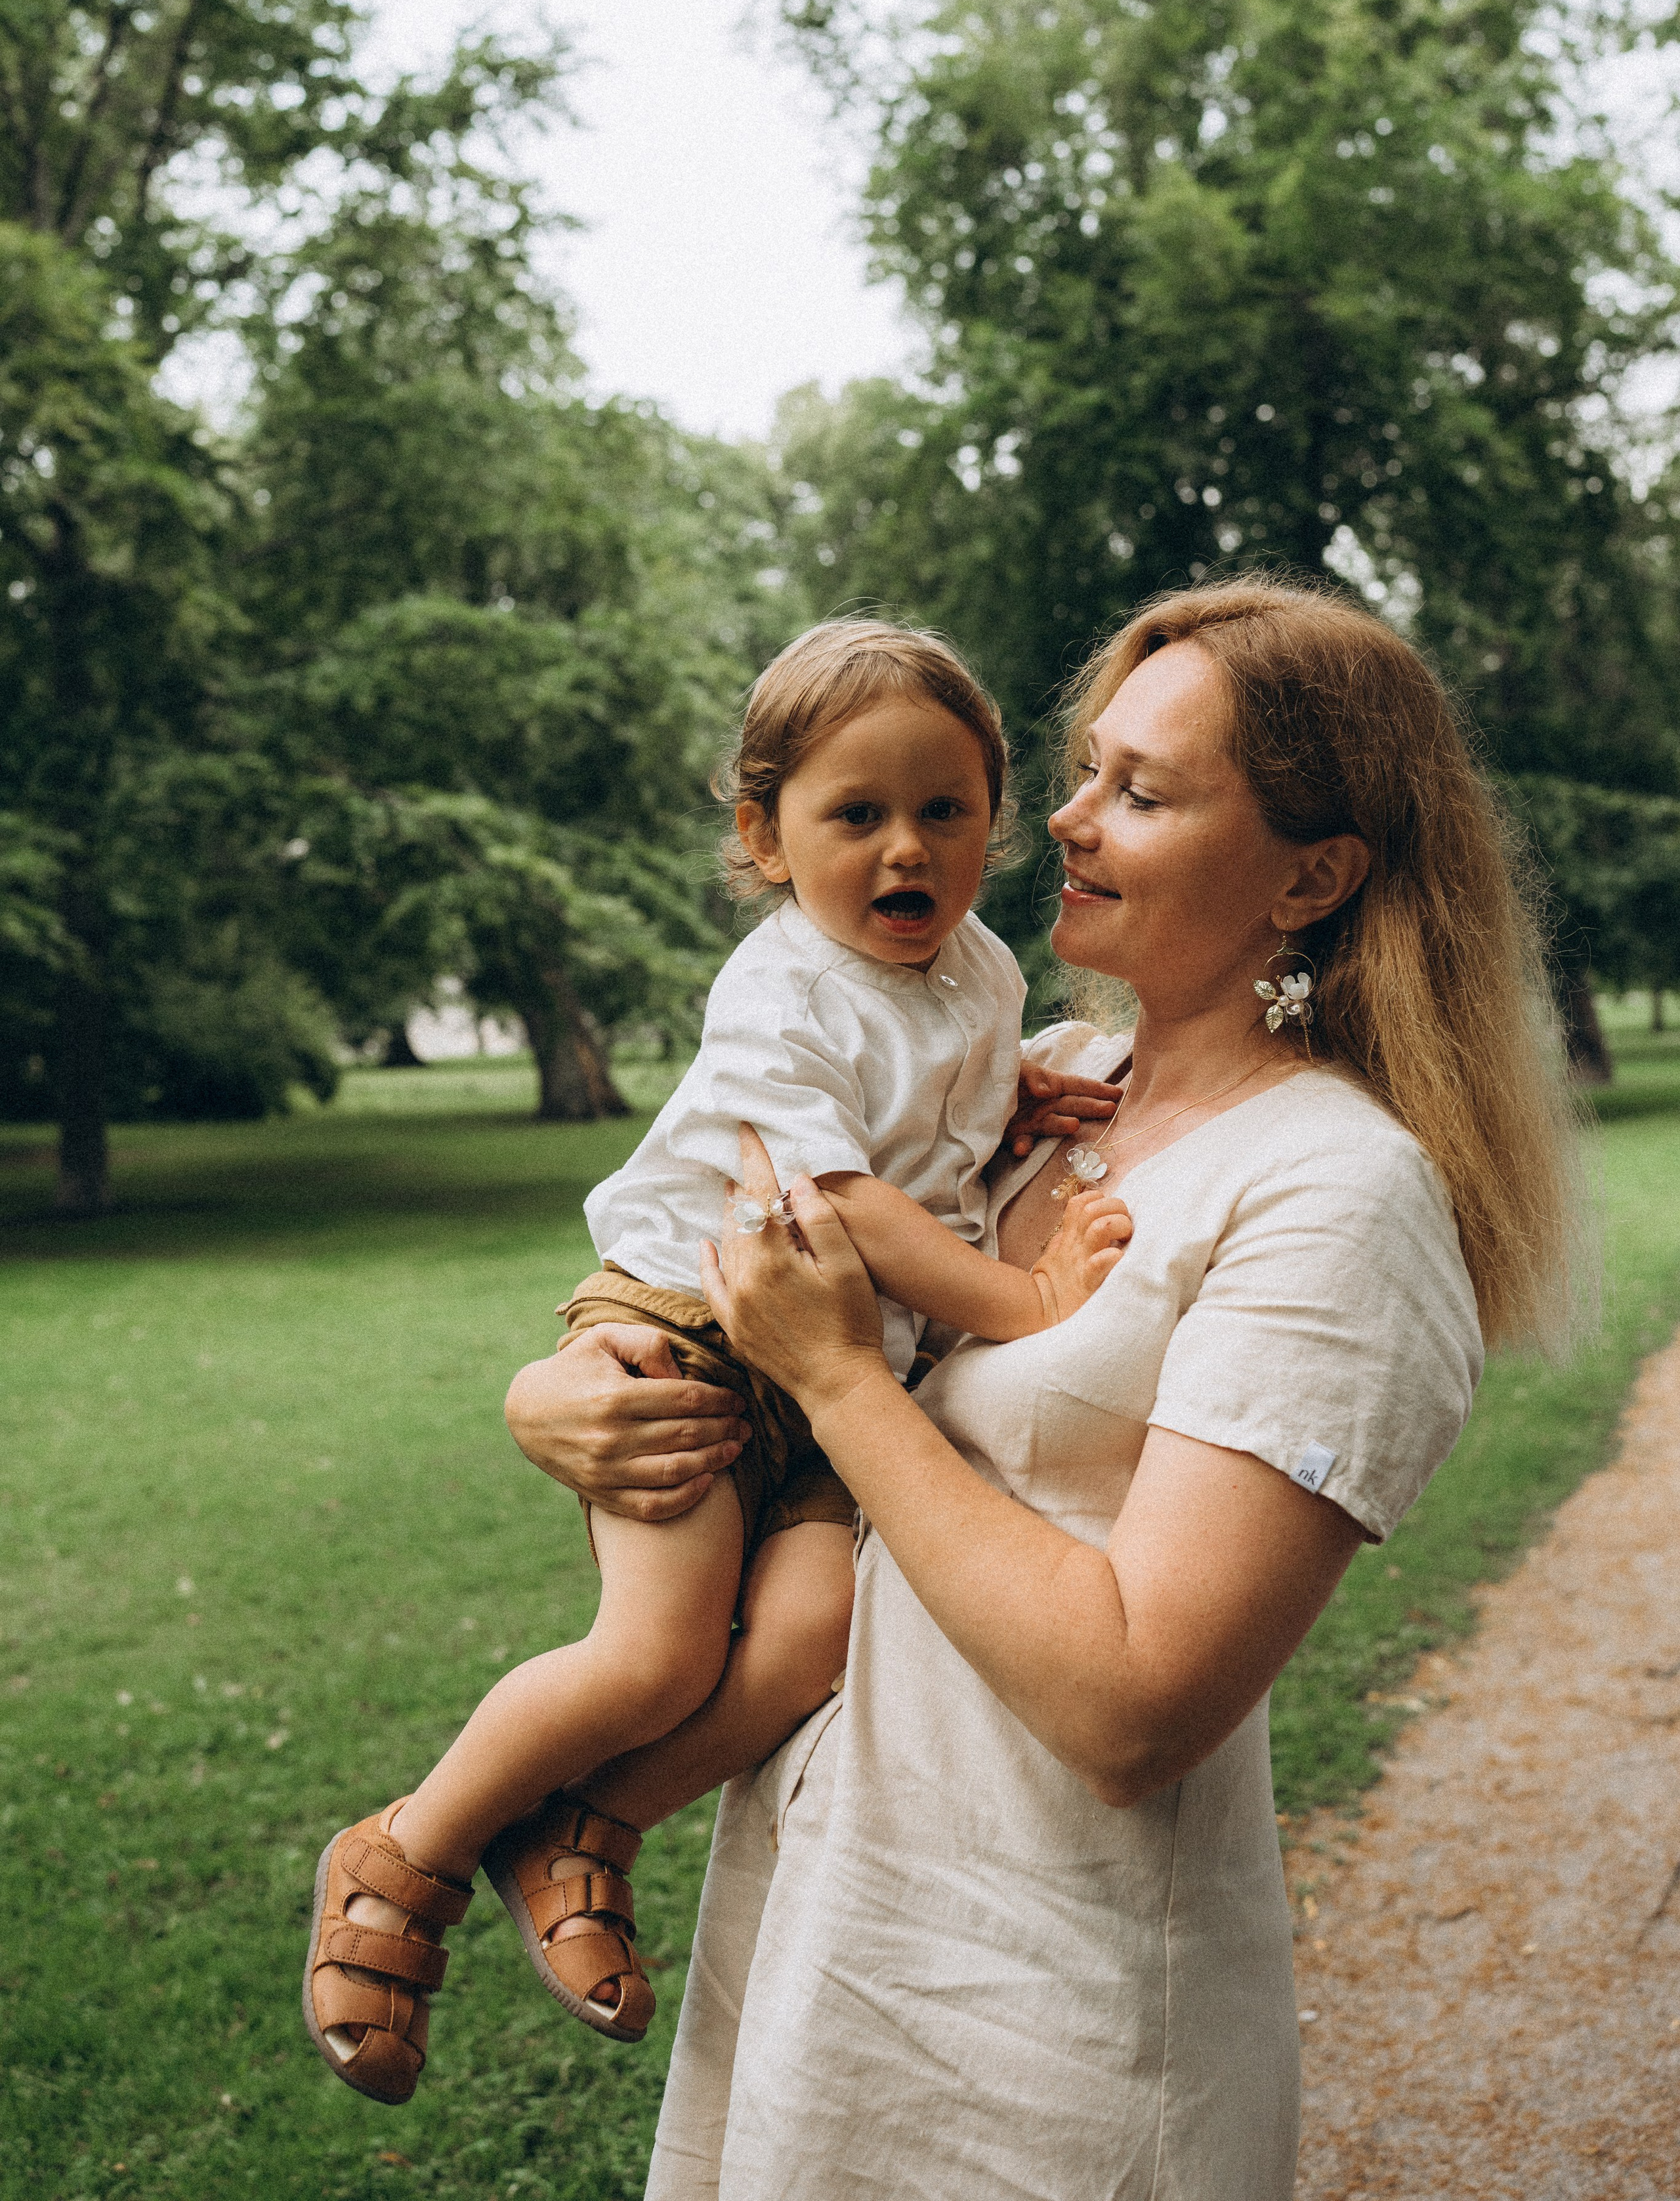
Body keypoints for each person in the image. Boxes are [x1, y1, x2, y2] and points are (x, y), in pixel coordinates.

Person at [504, 576, 1579, 2200]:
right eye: (1079, 770)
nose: (1061, 821)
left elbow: (1134, 1704)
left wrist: (837, 1385)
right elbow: (710, 1248)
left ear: (1314, 872)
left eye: (1139, 792)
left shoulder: (1332, 1192)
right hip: (820, 1937)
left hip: (1046, 2033)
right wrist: (564, 1389)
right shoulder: (1042, 1094)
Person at [303, 620, 1131, 2106]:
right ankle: (406, 1849)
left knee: (813, 1637)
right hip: (688, 1331)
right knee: (656, 1651)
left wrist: (1021, 1103)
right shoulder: (780, 990)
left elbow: (933, 1119)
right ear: (764, 834)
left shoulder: (983, 969)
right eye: (854, 814)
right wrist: (1026, 1296)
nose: (905, 851)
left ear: (991, 821)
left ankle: (590, 1829)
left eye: (944, 810)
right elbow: (848, 1204)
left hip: (833, 1383)